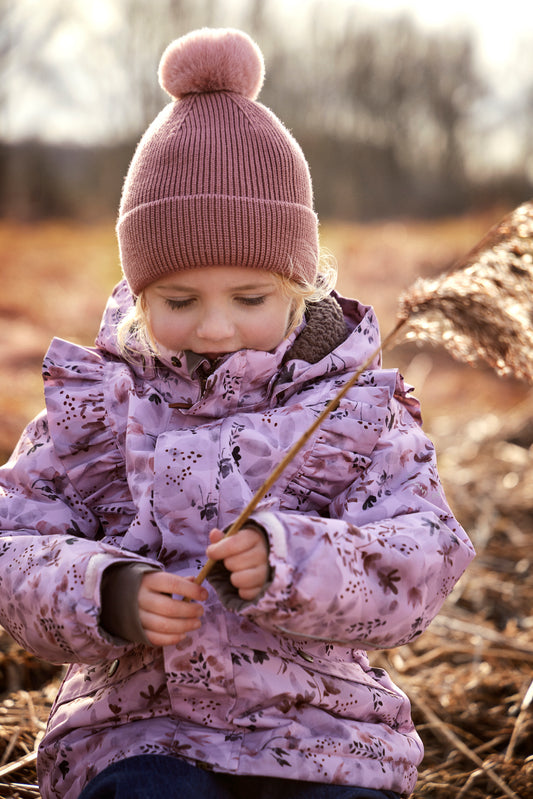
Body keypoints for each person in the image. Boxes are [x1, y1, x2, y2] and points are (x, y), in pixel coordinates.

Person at [0, 27, 475, 799]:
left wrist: (295, 560)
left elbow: (420, 557)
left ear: (301, 283)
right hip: (140, 731)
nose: (215, 327)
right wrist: (107, 591)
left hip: (326, 736)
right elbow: (13, 541)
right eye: (178, 301)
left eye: (250, 299)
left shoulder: (354, 414)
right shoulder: (95, 412)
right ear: (138, 293)